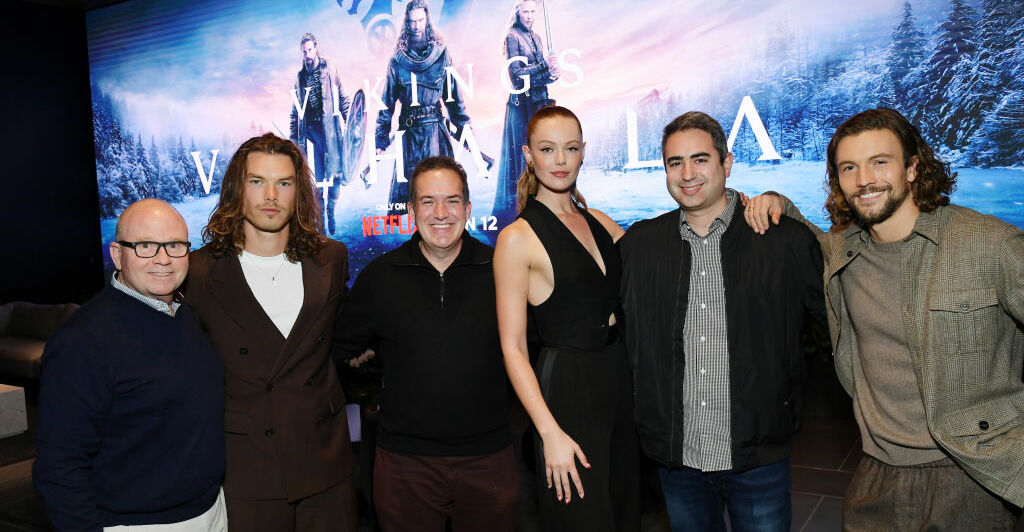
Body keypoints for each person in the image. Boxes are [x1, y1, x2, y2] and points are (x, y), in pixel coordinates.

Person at [744, 107, 1024, 530]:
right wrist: (774, 200)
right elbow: (804, 235)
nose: (864, 179)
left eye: (879, 162)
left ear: (912, 168)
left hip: (975, 472)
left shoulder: (988, 243)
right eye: (849, 167)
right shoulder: (842, 251)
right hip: (876, 470)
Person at [617, 111, 826, 532]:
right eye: (675, 162)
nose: (687, 174)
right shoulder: (640, 245)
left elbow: (837, 317)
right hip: (678, 458)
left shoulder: (781, 239)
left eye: (700, 159)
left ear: (726, 163)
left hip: (758, 455)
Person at [333, 156, 517, 532]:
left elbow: (531, 348)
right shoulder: (380, 277)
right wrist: (378, 373)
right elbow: (341, 349)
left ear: (468, 209)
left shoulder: (501, 269)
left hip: (489, 459)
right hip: (405, 464)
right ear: (412, 210)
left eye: (452, 201)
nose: (441, 213)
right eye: (428, 201)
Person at [184, 133, 357, 532]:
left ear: (299, 192)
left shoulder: (331, 258)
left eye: (284, 183)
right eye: (257, 181)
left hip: (325, 458)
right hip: (248, 463)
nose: (271, 196)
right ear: (237, 189)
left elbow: (344, 340)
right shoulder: (200, 271)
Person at [34, 199, 226, 531]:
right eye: (145, 246)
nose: (163, 258)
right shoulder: (82, 340)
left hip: (211, 511)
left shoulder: (186, 315)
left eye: (175, 245)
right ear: (117, 254)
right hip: (139, 524)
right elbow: (59, 465)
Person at [494, 105, 639, 531]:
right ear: (528, 155)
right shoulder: (516, 239)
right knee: (582, 519)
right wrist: (549, 433)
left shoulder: (599, 222)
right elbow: (513, 348)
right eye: (547, 149)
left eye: (570, 148)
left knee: (624, 513)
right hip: (567, 391)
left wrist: (745, 203)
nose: (560, 160)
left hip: (619, 381)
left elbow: (662, 250)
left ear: (583, 152)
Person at [375, 0, 471, 216]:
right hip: (410, 136)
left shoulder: (441, 54)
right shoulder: (397, 60)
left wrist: (466, 133)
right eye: (412, 21)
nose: (417, 26)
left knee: (439, 196)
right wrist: (380, 139)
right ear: (407, 23)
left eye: (420, 20)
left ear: (427, 20)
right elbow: (386, 103)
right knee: (414, 200)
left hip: (435, 134)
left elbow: (454, 98)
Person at [491, 0, 559, 229]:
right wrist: (543, 67)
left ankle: (540, 212)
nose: (529, 15)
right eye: (525, 11)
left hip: (538, 103)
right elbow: (517, 75)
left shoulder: (537, 38)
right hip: (522, 106)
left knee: (540, 157)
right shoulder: (512, 37)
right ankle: (520, 216)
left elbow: (539, 78)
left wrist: (552, 73)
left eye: (532, 11)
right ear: (517, 12)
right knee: (523, 160)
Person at [289, 32, 350, 235]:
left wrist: (351, 123)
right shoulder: (300, 79)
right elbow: (295, 112)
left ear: (316, 48)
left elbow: (342, 97)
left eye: (310, 50)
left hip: (330, 132)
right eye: (304, 51)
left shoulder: (329, 68)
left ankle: (331, 210)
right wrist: (293, 142)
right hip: (311, 135)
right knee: (316, 181)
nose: (307, 54)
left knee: (336, 178)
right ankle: (321, 220)